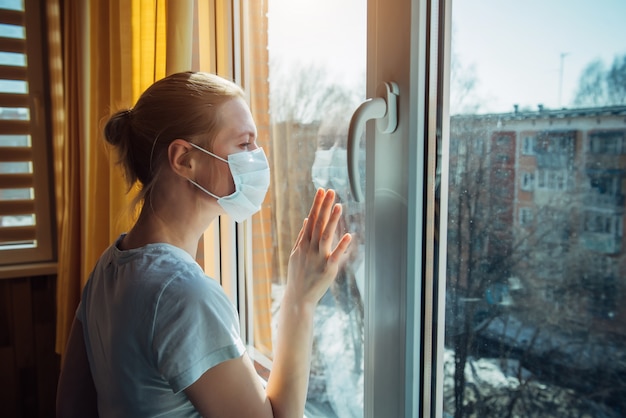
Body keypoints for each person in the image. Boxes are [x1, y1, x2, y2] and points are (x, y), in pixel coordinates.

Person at [56, 71, 352, 418]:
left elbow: (70, 406)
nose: (258, 156)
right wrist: (300, 300)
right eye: (244, 144)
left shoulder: (108, 267)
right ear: (184, 159)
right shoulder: (183, 294)